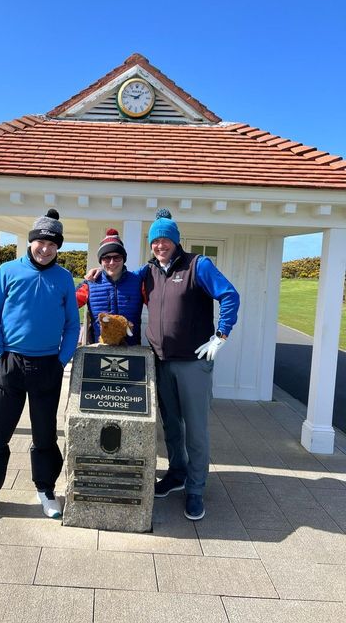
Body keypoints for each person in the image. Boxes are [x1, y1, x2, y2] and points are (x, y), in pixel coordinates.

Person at [0, 209, 80, 525]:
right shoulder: (8, 271)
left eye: (52, 244)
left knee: (44, 434)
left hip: (48, 365)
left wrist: (61, 360)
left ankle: (46, 491)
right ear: (31, 242)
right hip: (10, 364)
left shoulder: (63, 278)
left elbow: (73, 323)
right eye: (40, 242)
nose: (45, 249)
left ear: (58, 247)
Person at [145, 208, 239, 520]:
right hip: (161, 362)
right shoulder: (150, 271)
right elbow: (121, 282)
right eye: (155, 241)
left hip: (192, 363)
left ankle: (196, 488)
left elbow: (229, 296)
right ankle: (177, 473)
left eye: (165, 240)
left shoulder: (198, 265)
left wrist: (220, 336)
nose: (160, 245)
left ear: (176, 240)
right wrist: (98, 275)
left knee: (195, 429)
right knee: (171, 424)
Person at [76, 229, 144, 345]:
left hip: (132, 351)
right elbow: (66, 306)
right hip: (99, 349)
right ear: (100, 261)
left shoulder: (138, 282)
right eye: (106, 258)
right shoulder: (90, 283)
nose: (112, 262)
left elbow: (159, 306)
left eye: (117, 257)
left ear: (123, 259)